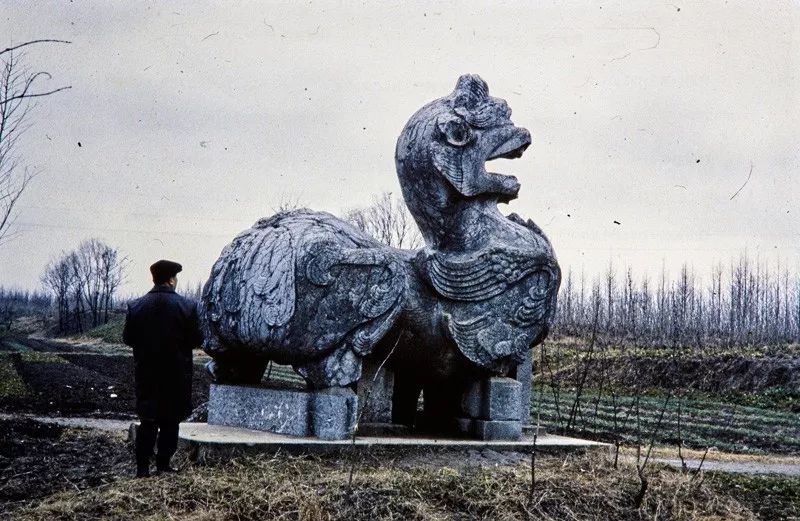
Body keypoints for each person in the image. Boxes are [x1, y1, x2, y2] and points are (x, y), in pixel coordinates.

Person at [123, 259, 203, 478]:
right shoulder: (187, 307)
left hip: (147, 375)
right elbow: (197, 339)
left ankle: (142, 469)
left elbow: (127, 338)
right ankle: (163, 464)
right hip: (176, 375)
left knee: (147, 421)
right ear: (171, 280)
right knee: (170, 421)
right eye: (175, 278)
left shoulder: (136, 306)